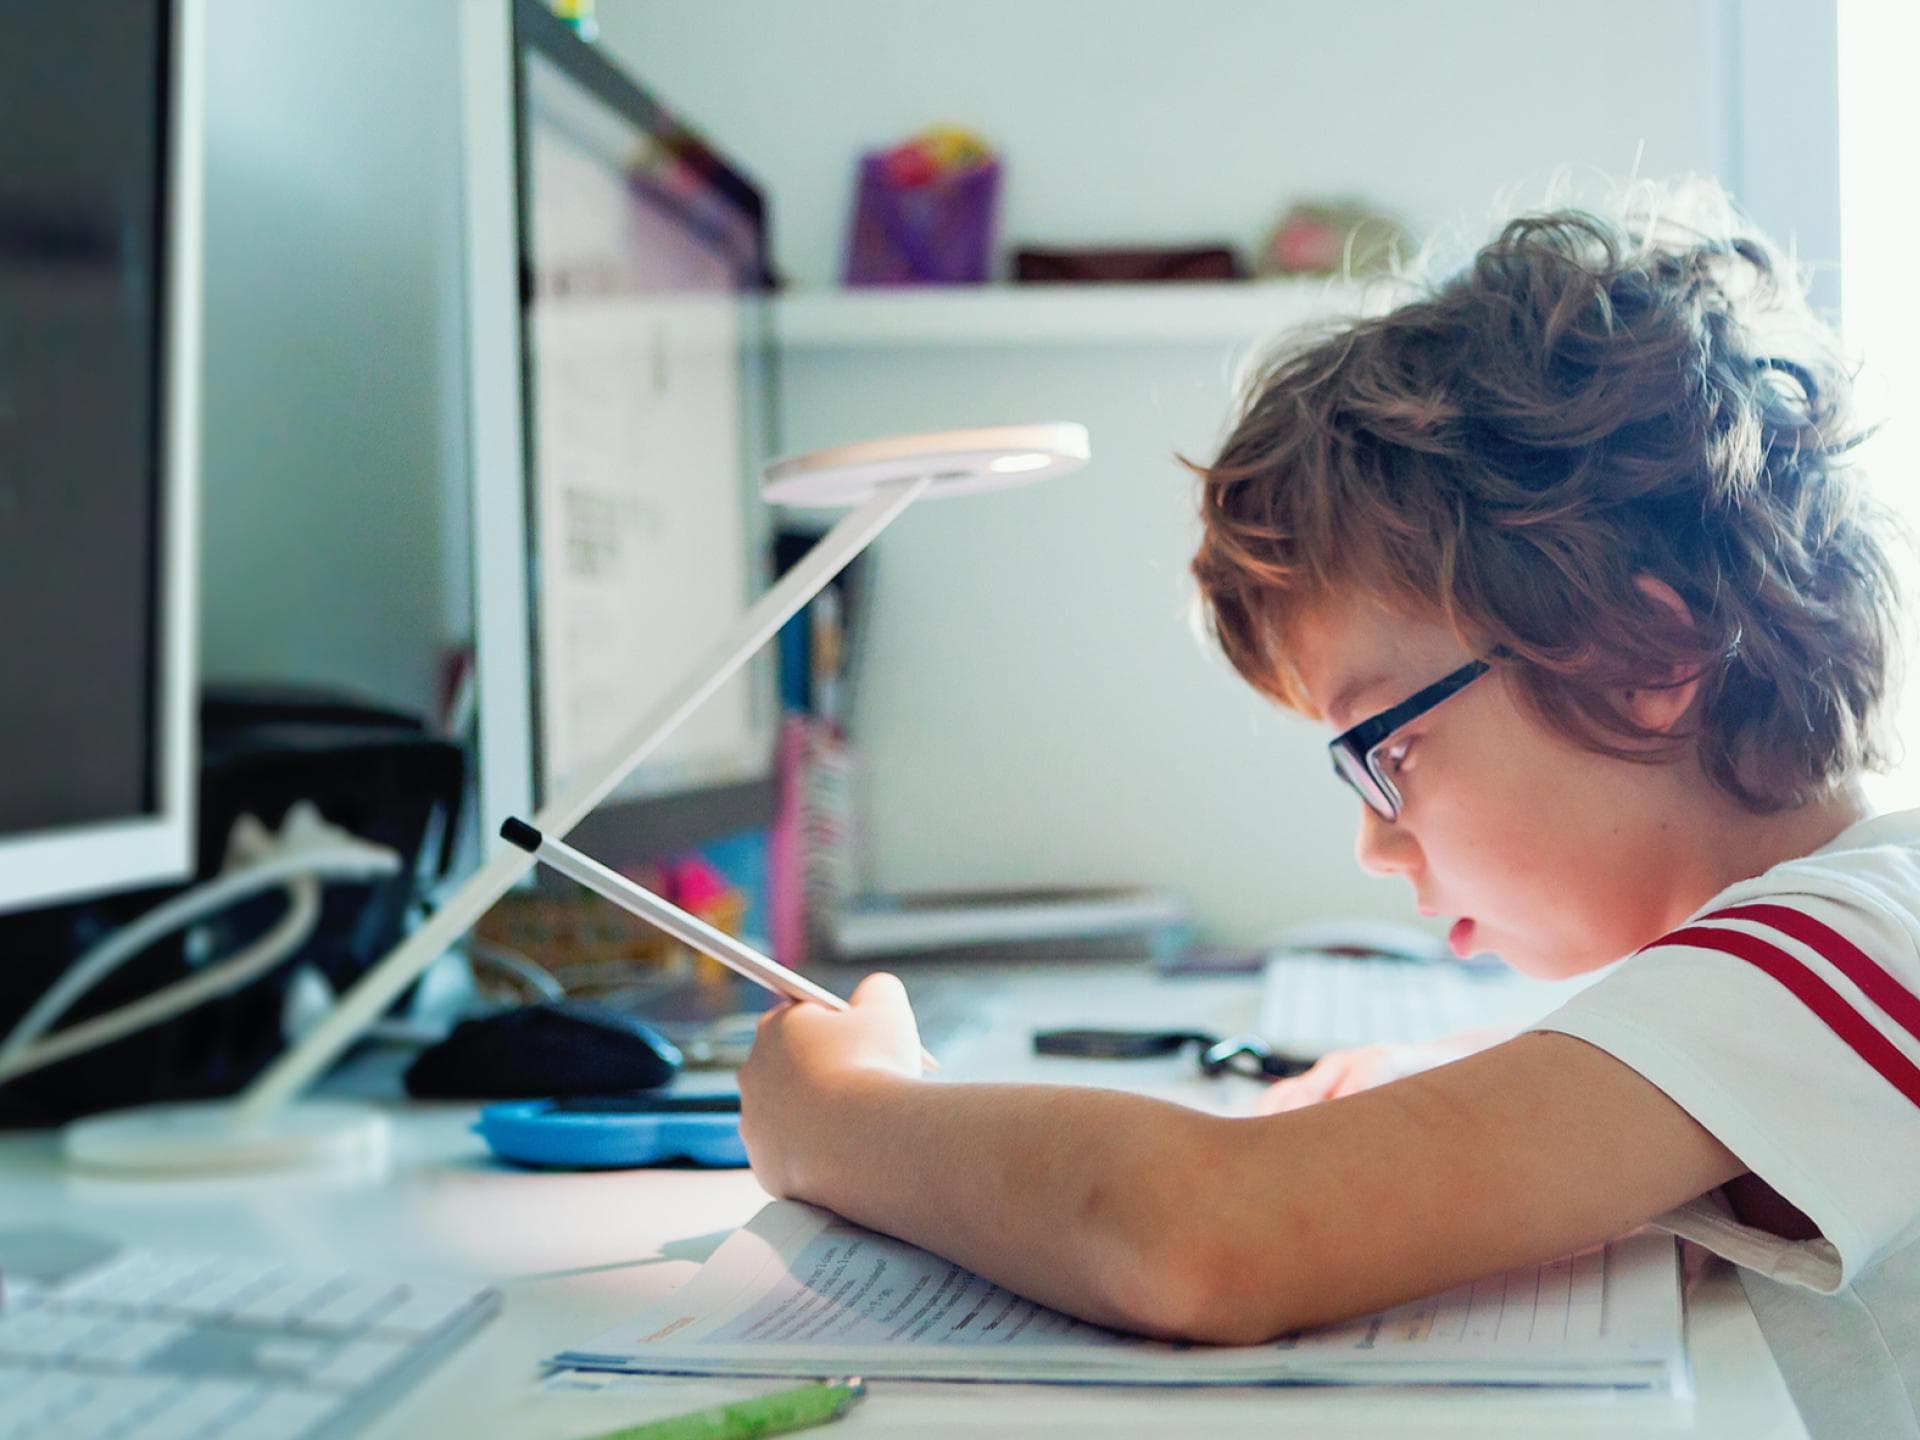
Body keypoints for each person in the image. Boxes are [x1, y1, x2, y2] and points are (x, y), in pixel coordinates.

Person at [737, 188, 1920, 1437]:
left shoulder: (1854, 943)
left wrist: (844, 1120)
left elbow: (1206, 1238)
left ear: (1640, 662)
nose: (1371, 838)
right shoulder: (1833, 936)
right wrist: (1478, 1089)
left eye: (1384, 748)